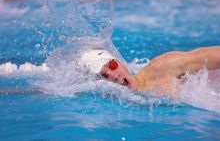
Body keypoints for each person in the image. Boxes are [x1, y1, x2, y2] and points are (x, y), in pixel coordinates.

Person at [80, 46, 220, 95]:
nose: (113, 75)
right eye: (104, 75)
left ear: (120, 63)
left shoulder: (163, 66)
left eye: (111, 66)